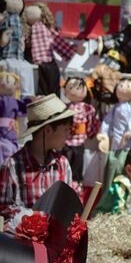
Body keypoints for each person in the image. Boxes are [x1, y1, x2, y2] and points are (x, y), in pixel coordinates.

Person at [0, 94, 77, 227]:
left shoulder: (62, 165)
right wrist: (32, 217)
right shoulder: (13, 165)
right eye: (65, 130)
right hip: (21, 242)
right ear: (47, 130)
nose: (68, 135)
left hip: (54, 242)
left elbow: (68, 204)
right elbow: (3, 207)